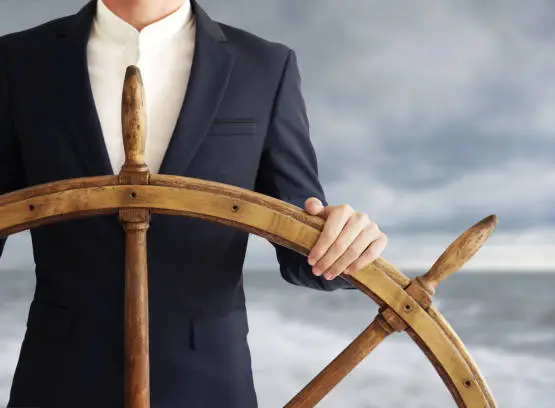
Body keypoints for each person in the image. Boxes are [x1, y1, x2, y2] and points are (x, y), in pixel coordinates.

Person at [0, 0, 388, 406]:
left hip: (210, 387)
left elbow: (300, 248)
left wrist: (345, 241)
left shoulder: (265, 68)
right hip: (57, 384)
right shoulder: (18, 62)